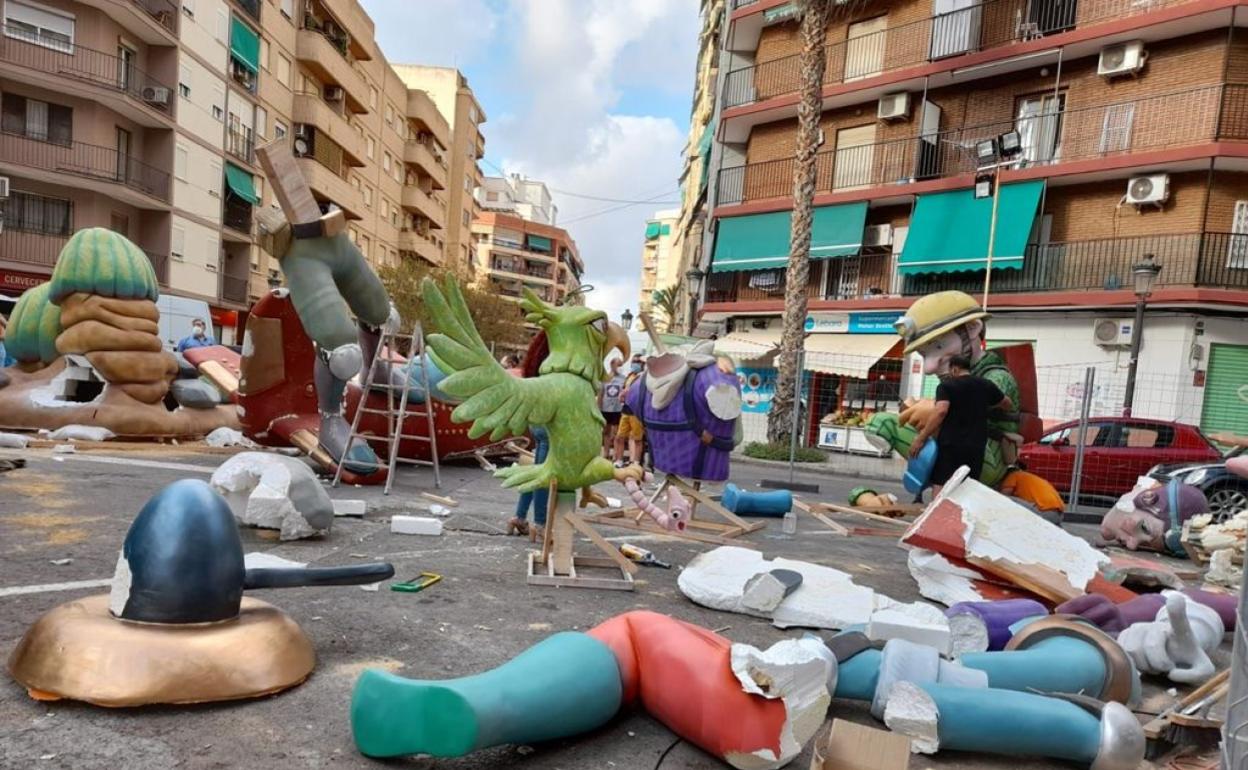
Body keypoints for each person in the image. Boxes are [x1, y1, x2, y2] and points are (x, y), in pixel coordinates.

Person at [909, 354, 1014, 489]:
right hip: (977, 446)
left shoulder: (946, 386)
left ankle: (940, 510)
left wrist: (921, 438)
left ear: (954, 369)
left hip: (950, 445)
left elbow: (941, 411)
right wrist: (986, 404)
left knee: (942, 484)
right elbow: (1007, 404)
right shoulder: (986, 385)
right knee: (968, 486)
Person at [614, 355, 646, 468]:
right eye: (634, 361)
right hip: (625, 410)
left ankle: (636, 461)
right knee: (619, 436)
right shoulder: (630, 376)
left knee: (637, 438)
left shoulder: (643, 377)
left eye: (637, 362)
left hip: (636, 411)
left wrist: (626, 392)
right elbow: (624, 389)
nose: (635, 364)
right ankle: (619, 460)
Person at [599, 357, 625, 455]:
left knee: (617, 433)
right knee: (606, 432)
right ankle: (606, 452)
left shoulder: (623, 378)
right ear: (612, 365)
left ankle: (616, 454)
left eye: (621, 365)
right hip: (606, 409)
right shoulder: (605, 378)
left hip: (618, 409)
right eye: (618, 365)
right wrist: (599, 409)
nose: (620, 367)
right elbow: (601, 395)